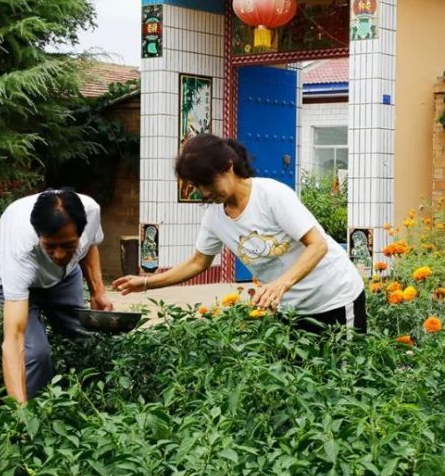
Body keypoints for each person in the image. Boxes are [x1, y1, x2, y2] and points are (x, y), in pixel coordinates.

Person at [112, 134, 366, 333]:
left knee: (344, 384)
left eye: (207, 183)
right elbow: (198, 262)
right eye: (197, 186)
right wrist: (145, 282)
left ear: (228, 167)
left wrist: (281, 284)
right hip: (290, 310)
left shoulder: (271, 195)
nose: (204, 192)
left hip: (335, 297)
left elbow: (318, 245)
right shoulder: (215, 218)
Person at [0, 188, 114, 403]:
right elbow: (14, 340)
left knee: (83, 336)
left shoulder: (90, 211)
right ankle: (33, 414)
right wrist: (20, 412)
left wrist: (98, 292)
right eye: (50, 246)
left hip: (64, 276)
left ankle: (91, 399)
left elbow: (90, 245)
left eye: (69, 245)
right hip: (12, 276)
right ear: (38, 235)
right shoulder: (20, 248)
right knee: (36, 354)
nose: (60, 254)